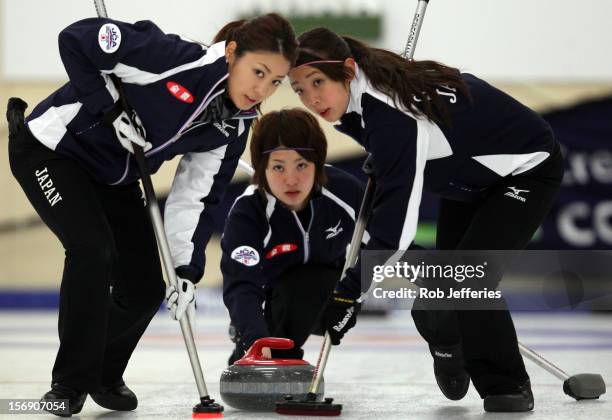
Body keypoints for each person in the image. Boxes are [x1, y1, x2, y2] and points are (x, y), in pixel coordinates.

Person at [7, 14, 297, 416]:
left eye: (276, 82)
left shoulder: (232, 127)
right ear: (232, 53)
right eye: (259, 72)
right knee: (91, 249)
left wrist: (185, 269)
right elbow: (74, 39)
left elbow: (196, 196)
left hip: (113, 178)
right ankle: (69, 384)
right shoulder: (169, 57)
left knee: (145, 288)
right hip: (52, 149)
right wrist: (108, 109)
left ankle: (102, 374)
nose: (262, 89)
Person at [288, 27, 564, 412]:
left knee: (469, 277)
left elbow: (397, 231)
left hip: (523, 171)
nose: (310, 98)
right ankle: (447, 337)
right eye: (299, 89)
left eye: (317, 82)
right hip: (465, 179)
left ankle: (506, 382)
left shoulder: (391, 111)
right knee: (446, 284)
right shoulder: (360, 96)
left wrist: (350, 291)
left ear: (348, 70)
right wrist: (384, 155)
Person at [221, 108, 366, 364]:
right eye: (278, 167)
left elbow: (392, 246)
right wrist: (256, 339)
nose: (291, 179)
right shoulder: (248, 212)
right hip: (267, 304)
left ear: (317, 163)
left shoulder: (344, 191)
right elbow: (241, 284)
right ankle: (255, 343)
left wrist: (445, 289)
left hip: (333, 297)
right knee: (290, 297)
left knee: (313, 280)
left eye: (302, 165)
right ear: (262, 168)